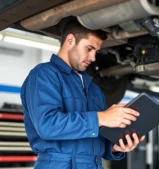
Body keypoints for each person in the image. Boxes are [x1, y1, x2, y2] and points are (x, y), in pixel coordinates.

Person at [20, 19, 145, 169]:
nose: (93, 58)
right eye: (89, 48)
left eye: (96, 52)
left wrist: (115, 147)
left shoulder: (93, 88)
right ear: (70, 40)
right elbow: (47, 125)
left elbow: (95, 137)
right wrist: (101, 117)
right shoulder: (44, 74)